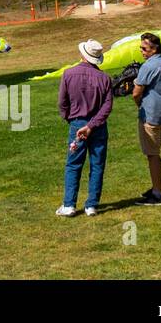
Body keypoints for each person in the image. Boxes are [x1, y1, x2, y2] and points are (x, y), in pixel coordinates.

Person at [56, 40, 113, 217]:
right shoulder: (104, 78)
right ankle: (91, 205)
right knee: (97, 165)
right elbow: (107, 106)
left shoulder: (68, 74)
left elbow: (62, 103)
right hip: (98, 126)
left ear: (82, 55)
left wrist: (71, 120)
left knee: (73, 164)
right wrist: (92, 125)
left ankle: (69, 204)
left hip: (77, 124)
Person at [132, 32, 161, 206]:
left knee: (152, 154)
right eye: (141, 48)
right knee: (154, 152)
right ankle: (155, 188)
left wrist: (139, 104)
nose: (142, 51)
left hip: (150, 115)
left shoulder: (148, 66)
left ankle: (157, 193)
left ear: (154, 49)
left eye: (144, 48)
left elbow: (136, 92)